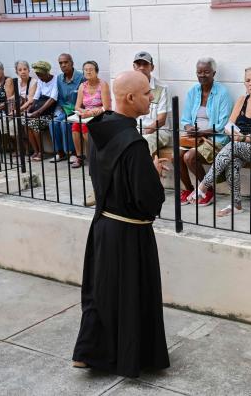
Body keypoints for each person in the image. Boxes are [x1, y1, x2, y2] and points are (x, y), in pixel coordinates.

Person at [72, 70, 170, 377]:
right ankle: (130, 358)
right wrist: (152, 172)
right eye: (145, 94)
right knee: (129, 296)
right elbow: (149, 201)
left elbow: (103, 176)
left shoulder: (99, 129)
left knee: (102, 293)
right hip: (129, 233)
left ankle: (88, 352)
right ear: (129, 98)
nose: (151, 97)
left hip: (103, 226)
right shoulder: (133, 144)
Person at [189, 66, 251, 216]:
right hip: (239, 146)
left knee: (232, 147)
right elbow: (228, 126)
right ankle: (236, 205)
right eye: (247, 80)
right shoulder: (242, 100)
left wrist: (243, 138)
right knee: (233, 162)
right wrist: (233, 134)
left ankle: (204, 185)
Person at [179, 57, 233, 206]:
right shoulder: (192, 91)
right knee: (176, 156)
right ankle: (189, 189)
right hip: (193, 138)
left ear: (214, 73)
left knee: (189, 157)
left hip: (216, 139)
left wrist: (202, 133)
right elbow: (185, 119)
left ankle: (207, 190)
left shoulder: (222, 93)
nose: (202, 75)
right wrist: (189, 128)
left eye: (206, 72)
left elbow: (223, 125)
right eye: (199, 72)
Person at [73, 60, 111, 168]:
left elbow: (106, 107)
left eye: (91, 70)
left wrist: (91, 113)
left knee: (85, 127)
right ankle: (79, 157)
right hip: (86, 114)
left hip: (101, 114)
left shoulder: (102, 84)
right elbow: (77, 106)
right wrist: (82, 111)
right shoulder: (82, 86)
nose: (88, 72)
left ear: (97, 71)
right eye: (86, 70)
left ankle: (95, 156)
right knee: (75, 127)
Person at [133, 51, 171, 156]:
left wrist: (142, 134)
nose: (141, 67)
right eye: (138, 64)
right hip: (136, 131)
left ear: (152, 67)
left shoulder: (162, 88)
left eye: (145, 64)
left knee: (143, 143)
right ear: (134, 67)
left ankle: (143, 172)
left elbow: (162, 120)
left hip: (158, 132)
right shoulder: (130, 87)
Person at [50, 53, 82, 164]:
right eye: (60, 63)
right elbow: (59, 97)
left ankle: (72, 152)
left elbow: (83, 98)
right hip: (65, 109)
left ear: (72, 63)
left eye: (65, 62)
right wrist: (63, 110)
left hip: (79, 110)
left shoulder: (80, 77)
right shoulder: (59, 78)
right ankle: (60, 152)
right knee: (53, 122)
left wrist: (73, 110)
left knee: (65, 123)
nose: (63, 65)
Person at [27, 61, 58, 161]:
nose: (40, 77)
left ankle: (41, 152)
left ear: (47, 72)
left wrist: (38, 112)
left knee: (34, 123)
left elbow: (52, 98)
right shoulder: (40, 81)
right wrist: (29, 109)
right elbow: (36, 96)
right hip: (39, 108)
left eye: (41, 75)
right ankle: (35, 151)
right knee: (25, 122)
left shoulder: (56, 80)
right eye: (37, 75)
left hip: (49, 111)